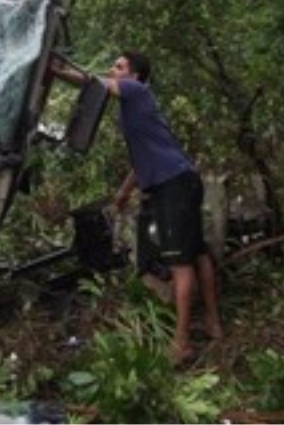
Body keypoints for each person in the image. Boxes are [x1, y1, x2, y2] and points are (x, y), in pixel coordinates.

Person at [51, 51, 223, 365]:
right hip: (182, 179)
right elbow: (142, 158)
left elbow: (92, 84)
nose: (112, 70)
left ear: (135, 75)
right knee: (196, 251)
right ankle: (213, 323)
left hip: (173, 183)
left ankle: (181, 343)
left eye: (118, 66)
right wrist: (122, 193)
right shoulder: (134, 109)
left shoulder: (135, 90)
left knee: (179, 264)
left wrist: (55, 70)